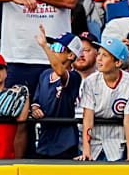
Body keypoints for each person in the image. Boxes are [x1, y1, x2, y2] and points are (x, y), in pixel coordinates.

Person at [77, 36, 129, 162]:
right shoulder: (91, 81)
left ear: (118, 62)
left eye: (105, 55)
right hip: (93, 142)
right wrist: (86, 151)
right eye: (99, 54)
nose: (99, 59)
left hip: (117, 142)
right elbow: (88, 118)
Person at [30, 28, 82, 159]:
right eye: (52, 46)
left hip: (65, 140)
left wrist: (45, 47)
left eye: (58, 47)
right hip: (45, 138)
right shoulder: (44, 74)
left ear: (71, 55)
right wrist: (35, 109)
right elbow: (36, 101)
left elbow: (60, 71)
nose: (53, 49)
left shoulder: (75, 76)